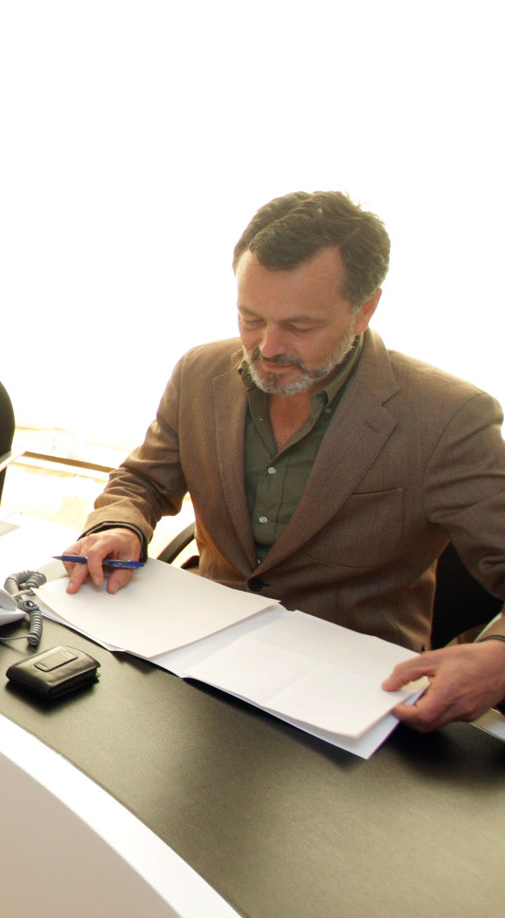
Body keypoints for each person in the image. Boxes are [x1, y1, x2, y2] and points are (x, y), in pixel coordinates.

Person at [63, 190, 505, 732]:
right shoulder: (200, 372)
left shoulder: (448, 418)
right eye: (251, 318)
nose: (268, 347)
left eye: (300, 327)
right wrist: (118, 526)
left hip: (350, 696)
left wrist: (499, 659)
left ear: (364, 310)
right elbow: (143, 481)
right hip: (195, 655)